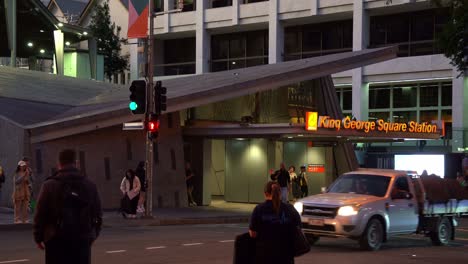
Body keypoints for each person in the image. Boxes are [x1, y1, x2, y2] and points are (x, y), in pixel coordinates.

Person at [33, 149, 102, 264]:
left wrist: (38, 237)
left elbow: (40, 213)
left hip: (55, 238)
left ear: (59, 164)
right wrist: (93, 234)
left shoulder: (49, 185)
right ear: (76, 163)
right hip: (82, 238)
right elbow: (97, 213)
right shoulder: (89, 185)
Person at [249, 181, 301, 264]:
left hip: (265, 255)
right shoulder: (290, 209)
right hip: (286, 255)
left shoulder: (259, 209)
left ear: (265, 193)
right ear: (280, 193)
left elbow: (253, 233)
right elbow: (298, 229)